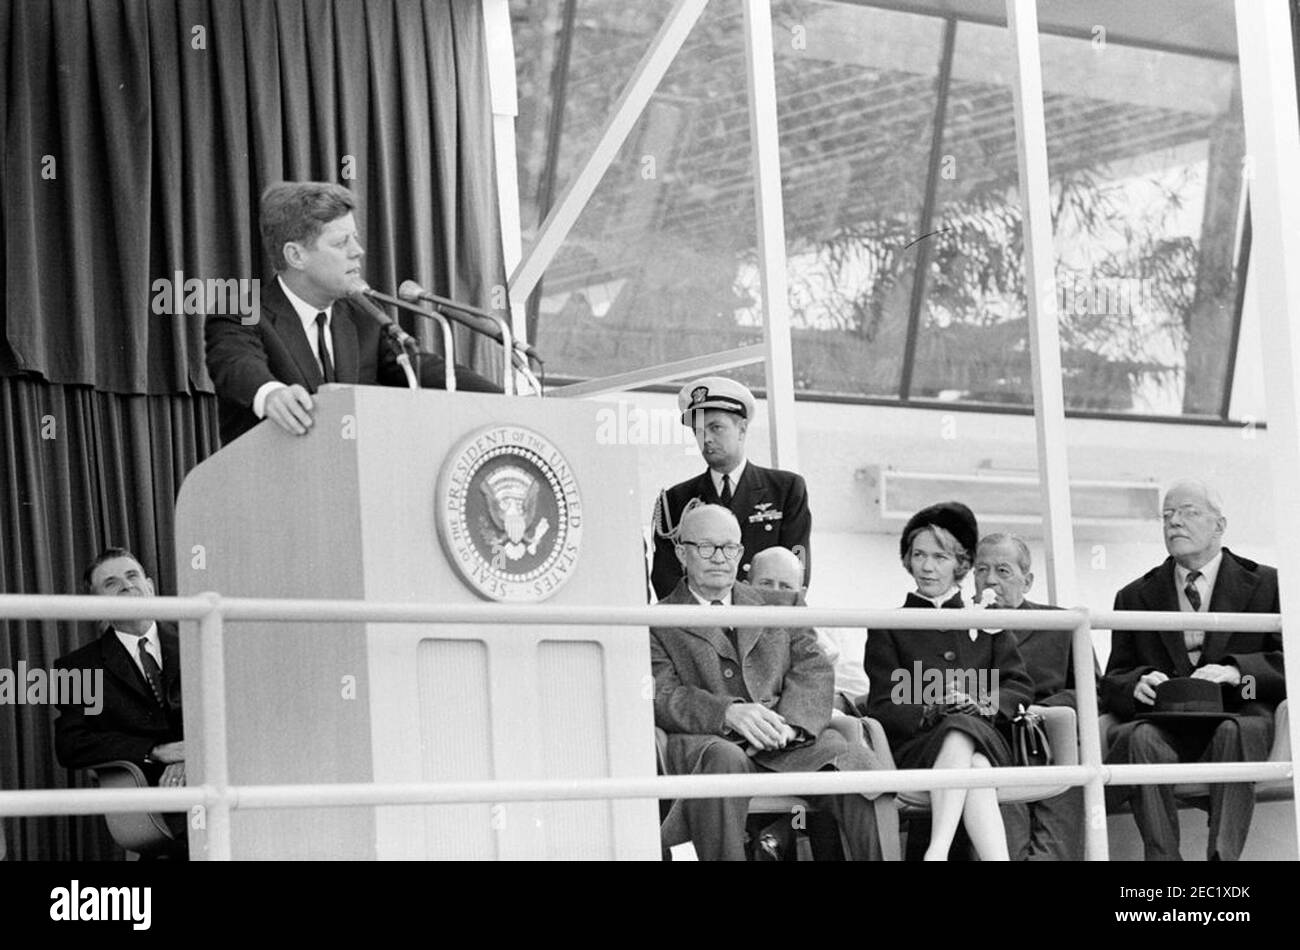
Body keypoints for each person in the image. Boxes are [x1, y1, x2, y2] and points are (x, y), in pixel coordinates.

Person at [651, 503, 882, 861]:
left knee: (858, 765)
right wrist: (727, 713)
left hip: (790, 739)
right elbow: (663, 695)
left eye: (729, 547)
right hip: (711, 742)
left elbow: (815, 669)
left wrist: (791, 725)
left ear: (741, 552)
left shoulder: (782, 603)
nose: (719, 557)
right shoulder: (656, 620)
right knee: (723, 761)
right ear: (682, 552)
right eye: (706, 547)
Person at [205, 180, 499, 445]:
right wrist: (270, 393)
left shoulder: (363, 314)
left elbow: (424, 369)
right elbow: (237, 364)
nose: (358, 251)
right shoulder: (240, 311)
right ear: (296, 255)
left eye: (354, 238)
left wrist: (510, 402)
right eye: (341, 243)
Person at [1101, 480, 1285, 861]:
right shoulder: (1134, 595)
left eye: (1188, 512)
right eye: (1167, 515)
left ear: (1219, 526)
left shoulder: (1270, 584)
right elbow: (1114, 678)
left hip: (1240, 707)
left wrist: (1239, 675)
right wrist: (1136, 684)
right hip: (1165, 718)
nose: (1174, 523)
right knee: (1139, 739)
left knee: (1236, 730)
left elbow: (1289, 667)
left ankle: (1222, 858)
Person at [865, 502, 1033, 861]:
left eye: (940, 557)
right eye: (919, 555)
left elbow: (1019, 687)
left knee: (965, 730)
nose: (927, 566)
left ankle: (935, 851)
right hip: (919, 747)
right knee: (975, 763)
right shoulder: (887, 626)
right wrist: (931, 707)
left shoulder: (989, 620)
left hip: (987, 734)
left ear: (961, 564)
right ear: (908, 560)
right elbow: (882, 704)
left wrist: (980, 703)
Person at [53, 548, 187, 853]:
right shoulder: (75, 667)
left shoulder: (198, 637)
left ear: (150, 587)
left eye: (132, 576)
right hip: (150, 795)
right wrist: (156, 751)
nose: (126, 585)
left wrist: (190, 756)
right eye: (111, 583)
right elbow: (71, 743)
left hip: (213, 779)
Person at [974, 533, 1092, 861]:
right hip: (994, 743)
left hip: (1053, 740)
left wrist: (1045, 711)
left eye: (1003, 571)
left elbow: (1093, 691)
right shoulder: (960, 627)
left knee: (1057, 849)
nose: (990, 581)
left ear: (1027, 581)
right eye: (981, 570)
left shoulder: (1060, 624)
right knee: (1006, 848)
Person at [650, 376, 811, 600]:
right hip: (700, 624)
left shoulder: (786, 490)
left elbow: (794, 570)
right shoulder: (675, 501)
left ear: (742, 430)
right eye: (698, 430)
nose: (706, 438)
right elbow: (665, 578)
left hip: (766, 621)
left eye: (716, 428)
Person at [749, 546, 869, 702]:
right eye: (766, 584)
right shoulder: (727, 626)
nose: (776, 593)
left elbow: (857, 690)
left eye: (786, 587)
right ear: (746, 587)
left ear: (802, 594)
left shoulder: (825, 632)